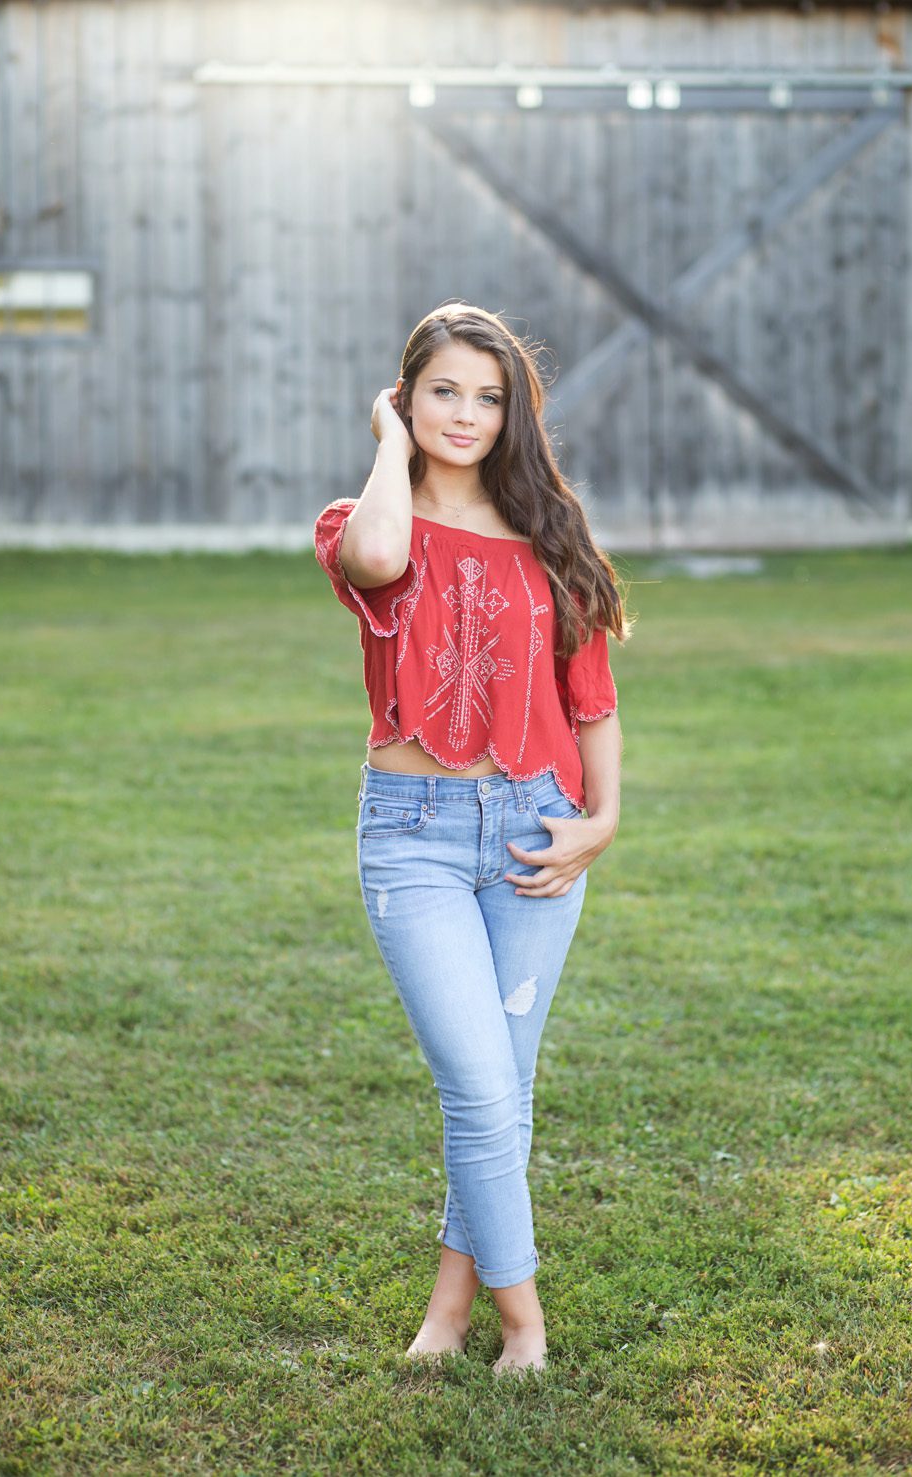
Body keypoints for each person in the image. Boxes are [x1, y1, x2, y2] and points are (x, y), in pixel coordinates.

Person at [312, 302, 633, 1375]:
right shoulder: (363, 517)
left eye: (488, 398)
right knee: (481, 1088)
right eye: (442, 391)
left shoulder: (547, 535)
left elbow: (591, 699)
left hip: (536, 828)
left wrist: (603, 818)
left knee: (502, 1083)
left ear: (512, 413)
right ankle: (524, 1322)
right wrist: (390, 449)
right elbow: (374, 558)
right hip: (414, 838)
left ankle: (448, 1312)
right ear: (406, 397)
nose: (466, 414)